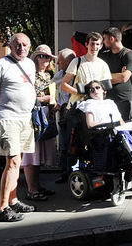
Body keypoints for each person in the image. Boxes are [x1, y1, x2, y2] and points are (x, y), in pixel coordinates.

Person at [0, 33, 37, 222]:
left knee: (18, 162)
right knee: (13, 162)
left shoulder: (30, 64)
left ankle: (13, 200)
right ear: (10, 46)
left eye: (25, 45)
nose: (21, 48)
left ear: (29, 47)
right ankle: (2, 207)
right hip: (8, 119)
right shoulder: (1, 64)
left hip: (25, 119)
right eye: (17, 44)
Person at [21, 45, 57, 201]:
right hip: (33, 116)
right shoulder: (30, 75)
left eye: (47, 57)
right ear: (35, 58)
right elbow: (26, 96)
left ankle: (37, 186)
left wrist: (54, 103)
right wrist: (45, 99)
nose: (45, 60)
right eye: (42, 56)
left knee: (39, 156)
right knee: (31, 154)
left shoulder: (50, 76)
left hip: (46, 115)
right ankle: (31, 189)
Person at [61, 32, 112, 106]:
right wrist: (80, 92)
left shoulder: (103, 65)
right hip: (78, 106)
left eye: (97, 44)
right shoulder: (77, 61)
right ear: (86, 44)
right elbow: (63, 85)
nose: (94, 47)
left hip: (96, 106)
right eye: (92, 44)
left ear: (101, 46)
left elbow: (105, 88)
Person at [101, 27, 132, 120]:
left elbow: (124, 77)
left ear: (112, 39)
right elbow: (97, 75)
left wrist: (105, 77)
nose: (103, 42)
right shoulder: (105, 55)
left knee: (124, 128)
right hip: (107, 100)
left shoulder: (129, 54)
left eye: (105, 38)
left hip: (123, 100)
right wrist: (116, 75)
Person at [53, 48, 76, 184]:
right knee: (63, 145)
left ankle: (73, 171)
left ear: (68, 62)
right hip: (62, 113)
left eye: (60, 61)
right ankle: (64, 172)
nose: (57, 64)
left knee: (72, 143)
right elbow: (50, 84)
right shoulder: (59, 74)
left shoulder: (76, 74)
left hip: (73, 112)